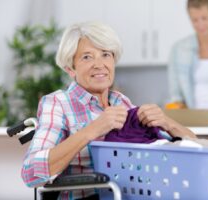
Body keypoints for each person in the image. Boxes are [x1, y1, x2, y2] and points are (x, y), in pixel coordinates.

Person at [21, 21, 196, 199]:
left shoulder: (122, 102)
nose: (99, 64)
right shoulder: (58, 103)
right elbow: (30, 172)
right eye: (87, 57)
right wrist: (92, 130)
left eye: (105, 54)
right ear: (70, 69)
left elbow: (193, 148)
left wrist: (166, 122)